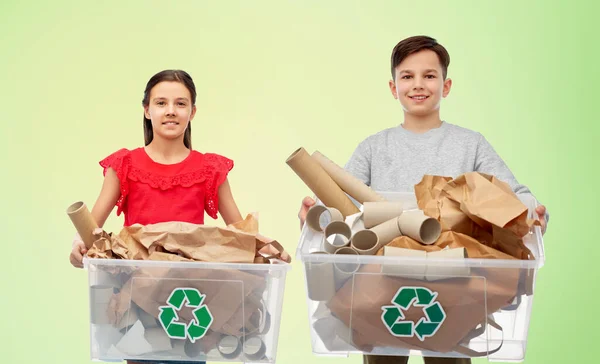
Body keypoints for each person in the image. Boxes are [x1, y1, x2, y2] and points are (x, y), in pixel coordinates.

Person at [297, 35, 549, 364]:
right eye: (407, 76)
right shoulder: (374, 148)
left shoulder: (469, 144)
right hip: (383, 275)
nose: (418, 85)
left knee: (449, 355)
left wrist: (532, 212)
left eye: (429, 76)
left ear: (446, 86)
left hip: (453, 277)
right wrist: (314, 215)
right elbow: (338, 203)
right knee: (383, 355)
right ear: (393, 87)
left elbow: (511, 193)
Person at [69, 69, 287, 364]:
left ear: (193, 112)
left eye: (180, 104)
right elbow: (91, 230)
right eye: (161, 103)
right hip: (137, 295)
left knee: (188, 357)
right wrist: (78, 248)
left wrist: (266, 254)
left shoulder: (209, 169)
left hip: (191, 297)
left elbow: (239, 237)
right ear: (146, 110)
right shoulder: (124, 165)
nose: (171, 111)